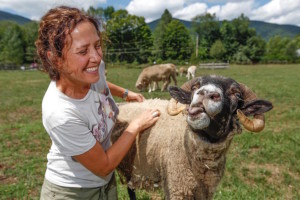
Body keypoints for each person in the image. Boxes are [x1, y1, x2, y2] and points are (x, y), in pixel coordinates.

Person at [35, 6, 160, 200]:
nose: (96, 57)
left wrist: (126, 93)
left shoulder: (91, 69)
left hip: (105, 185)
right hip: (73, 192)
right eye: (83, 50)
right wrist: (136, 125)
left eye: (98, 45)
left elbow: (100, 80)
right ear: (56, 59)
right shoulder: (60, 112)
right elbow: (104, 165)